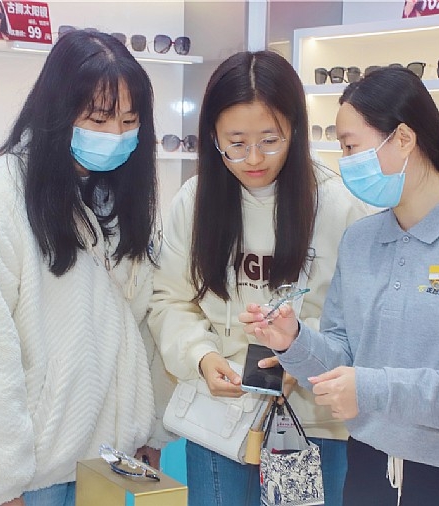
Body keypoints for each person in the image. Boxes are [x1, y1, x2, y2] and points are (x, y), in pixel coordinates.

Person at [241, 66, 439, 505]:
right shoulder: (361, 239)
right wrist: (293, 342)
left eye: (351, 146)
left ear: (403, 138)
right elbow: (345, 357)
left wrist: (373, 390)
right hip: (368, 460)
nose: (345, 162)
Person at [0, 30, 174, 506]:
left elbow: (143, 322)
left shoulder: (114, 198)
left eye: (129, 120)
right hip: (33, 478)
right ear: (58, 111)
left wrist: (151, 429)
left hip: (110, 462)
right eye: (98, 118)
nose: (115, 135)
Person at [149, 50, 370, 506]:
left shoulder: (338, 205)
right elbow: (170, 299)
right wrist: (202, 357)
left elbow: (356, 319)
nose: (253, 158)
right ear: (213, 136)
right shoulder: (195, 202)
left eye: (270, 141)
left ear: (295, 130)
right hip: (221, 411)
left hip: (313, 421)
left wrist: (300, 358)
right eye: (235, 143)